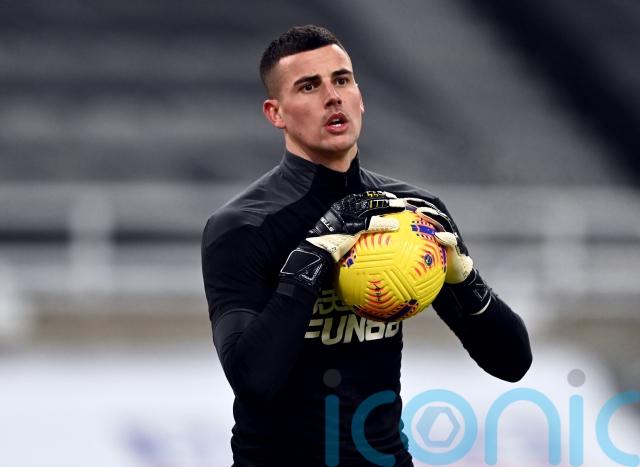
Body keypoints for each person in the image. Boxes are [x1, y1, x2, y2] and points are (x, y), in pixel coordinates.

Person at [201, 25, 532, 466]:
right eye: (309, 86)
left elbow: (512, 363)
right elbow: (253, 381)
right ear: (275, 113)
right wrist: (310, 260)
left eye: (342, 80)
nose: (332, 97)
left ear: (360, 96)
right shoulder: (243, 225)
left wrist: (466, 281)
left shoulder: (413, 213)